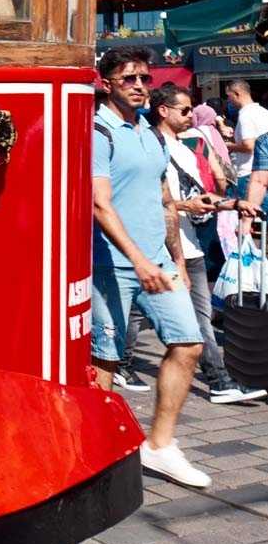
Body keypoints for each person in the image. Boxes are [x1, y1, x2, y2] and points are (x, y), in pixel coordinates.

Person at [91, 47, 209, 488]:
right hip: (111, 264)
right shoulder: (98, 131)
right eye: (129, 79)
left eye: (144, 77)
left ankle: (159, 447)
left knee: (188, 343)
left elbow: (163, 199)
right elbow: (99, 205)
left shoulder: (150, 130)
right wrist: (138, 260)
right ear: (107, 83)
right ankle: (95, 454)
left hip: (156, 261)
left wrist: (174, 258)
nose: (140, 85)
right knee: (105, 363)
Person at [150, 82, 263, 405]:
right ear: (164, 111)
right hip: (167, 249)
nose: (191, 116)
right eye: (185, 110)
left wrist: (233, 204)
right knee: (186, 321)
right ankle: (219, 380)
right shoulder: (154, 147)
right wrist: (186, 207)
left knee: (199, 318)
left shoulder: (188, 146)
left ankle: (219, 380)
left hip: (191, 245)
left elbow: (196, 194)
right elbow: (160, 200)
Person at [227, 79, 268, 196]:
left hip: (248, 173)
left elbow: (249, 145)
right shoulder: (263, 112)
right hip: (262, 171)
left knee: (254, 211)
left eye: (229, 96)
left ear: (237, 94)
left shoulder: (245, 115)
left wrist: (229, 146)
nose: (228, 100)